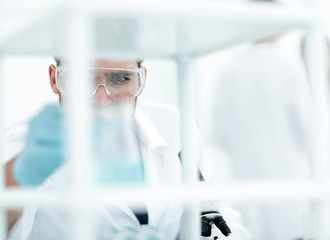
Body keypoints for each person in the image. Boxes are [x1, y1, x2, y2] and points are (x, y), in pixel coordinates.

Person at [3, 58, 247, 240]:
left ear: (142, 79)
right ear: (55, 79)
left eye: (120, 79)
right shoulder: (24, 143)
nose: (101, 99)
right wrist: (25, 171)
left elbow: (222, 217)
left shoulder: (171, 125)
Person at [210, 34, 312, 240]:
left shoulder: (227, 73)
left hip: (244, 178)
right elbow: (307, 130)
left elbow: (219, 135)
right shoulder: (291, 69)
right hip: (289, 179)